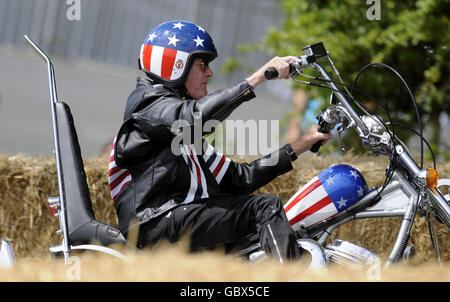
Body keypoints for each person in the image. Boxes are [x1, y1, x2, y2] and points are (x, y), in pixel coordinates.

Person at [108, 20, 332, 261]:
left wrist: (303, 143)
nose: (210, 73)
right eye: (202, 65)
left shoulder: (179, 130)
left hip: (176, 218)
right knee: (265, 208)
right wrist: (258, 78)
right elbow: (194, 116)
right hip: (153, 222)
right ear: (176, 66)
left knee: (251, 245)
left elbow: (238, 179)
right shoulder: (149, 105)